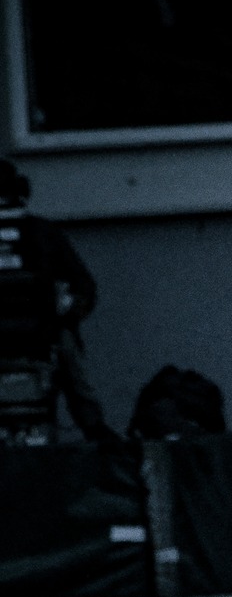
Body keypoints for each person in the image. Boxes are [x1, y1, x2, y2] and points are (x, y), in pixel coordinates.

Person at [0, 158, 115, 447]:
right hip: (43, 335)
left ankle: (95, 431)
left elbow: (83, 286)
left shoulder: (42, 233)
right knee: (71, 367)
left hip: (44, 337)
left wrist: (70, 307)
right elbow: (83, 284)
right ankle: (95, 430)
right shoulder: (43, 232)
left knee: (70, 363)